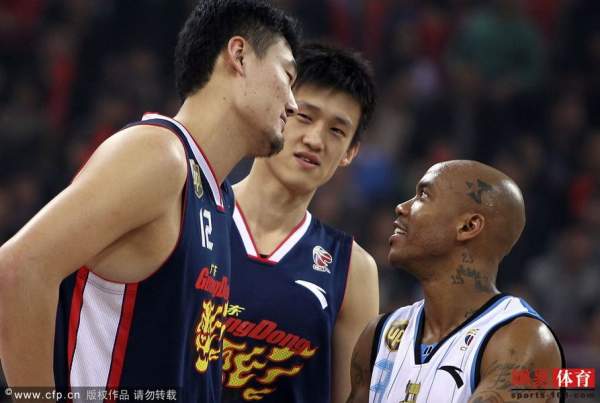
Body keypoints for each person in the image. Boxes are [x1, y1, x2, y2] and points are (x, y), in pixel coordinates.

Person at [0, 0, 300, 400]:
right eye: (288, 75)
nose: (293, 104)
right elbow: (18, 270)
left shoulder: (220, 198)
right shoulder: (160, 154)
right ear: (239, 55)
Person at [220, 43, 379, 402]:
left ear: (350, 152)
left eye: (337, 131)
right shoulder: (194, 211)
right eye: (304, 116)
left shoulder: (353, 270)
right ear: (275, 108)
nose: (314, 140)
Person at [347, 160, 565, 403]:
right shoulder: (378, 335)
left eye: (423, 195)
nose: (401, 207)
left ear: (468, 226)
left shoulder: (525, 341)